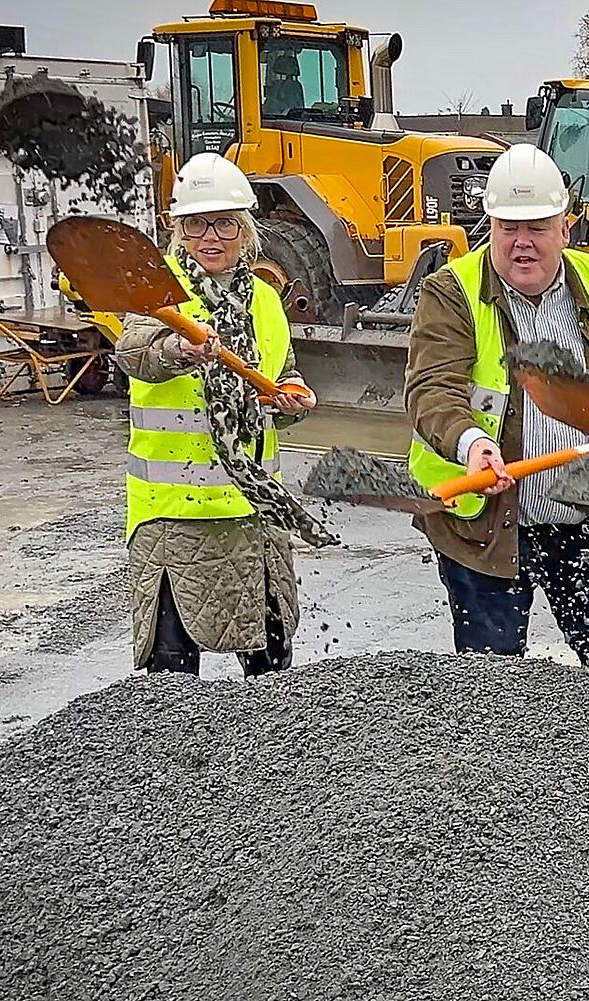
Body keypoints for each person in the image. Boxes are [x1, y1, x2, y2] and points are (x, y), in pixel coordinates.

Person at [404, 143, 589, 685]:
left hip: (586, 517)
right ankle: (495, 772)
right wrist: (471, 444)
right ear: (490, 226)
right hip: (487, 525)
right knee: (492, 687)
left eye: (537, 228)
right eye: (508, 228)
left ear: (564, 229)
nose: (522, 243)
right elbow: (432, 388)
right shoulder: (452, 292)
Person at [114, 152, 330, 677]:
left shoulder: (265, 299)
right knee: (170, 685)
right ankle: (173, 761)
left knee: (271, 673)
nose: (212, 237)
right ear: (178, 230)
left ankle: (270, 758)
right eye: (196, 225)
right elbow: (132, 352)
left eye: (225, 224)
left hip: (255, 510)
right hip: (175, 516)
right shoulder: (157, 294)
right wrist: (178, 351)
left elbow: (285, 370)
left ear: (246, 229)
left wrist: (292, 396)